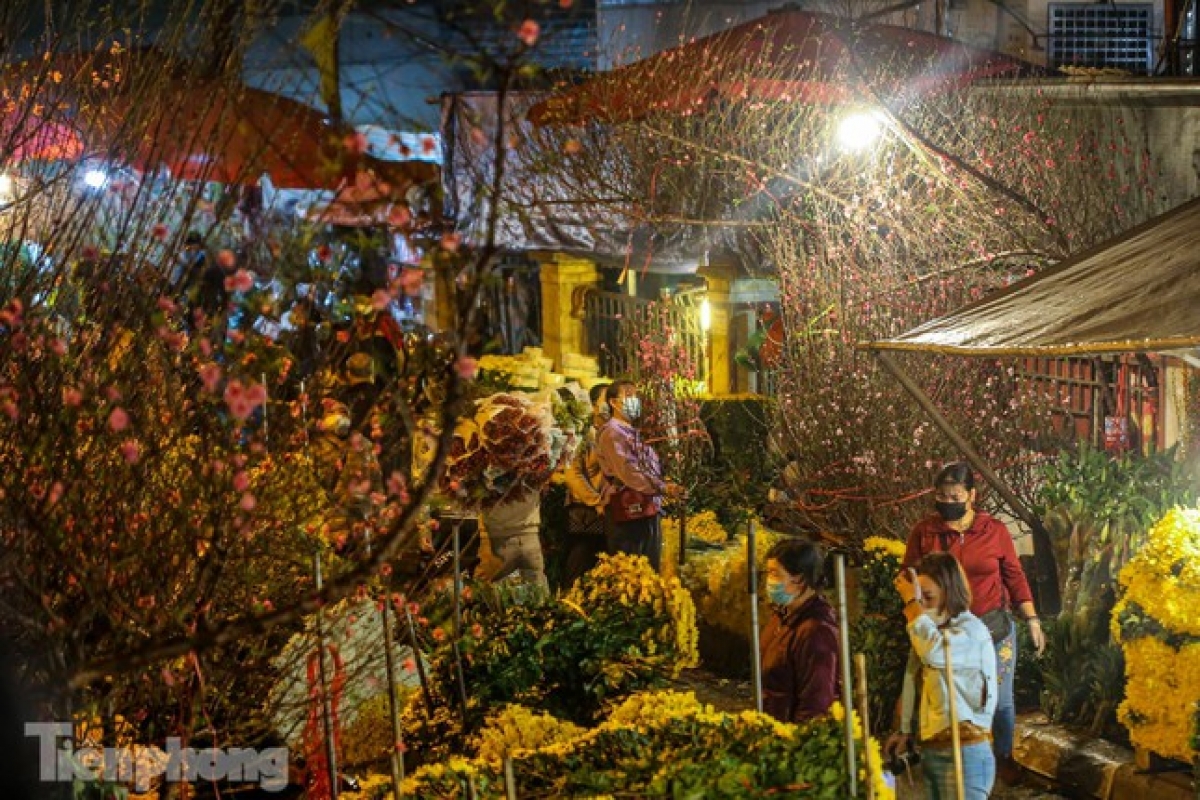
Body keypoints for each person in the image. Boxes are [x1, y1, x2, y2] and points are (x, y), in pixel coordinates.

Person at [902, 462, 1045, 785]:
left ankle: (1002, 758)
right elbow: (907, 576)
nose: (947, 502)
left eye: (954, 495)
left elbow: (1013, 575)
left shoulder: (993, 531)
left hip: (992, 628)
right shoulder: (926, 533)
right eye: (941, 496)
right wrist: (917, 612)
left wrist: (1031, 618)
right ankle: (955, 756)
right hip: (945, 631)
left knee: (1000, 700)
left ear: (971, 495)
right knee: (948, 695)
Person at [889, 553, 999, 799]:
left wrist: (911, 605)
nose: (922, 607)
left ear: (950, 593)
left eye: (927, 598)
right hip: (933, 751)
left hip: (965, 754)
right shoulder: (932, 632)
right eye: (919, 599)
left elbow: (936, 653)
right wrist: (905, 730)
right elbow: (911, 678)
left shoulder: (971, 631)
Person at [759, 539, 840, 723]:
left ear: (800, 579)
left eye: (775, 574)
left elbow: (816, 702)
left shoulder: (816, 632)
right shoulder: (782, 616)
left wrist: (795, 743)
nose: (769, 581)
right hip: (772, 726)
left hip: (789, 736)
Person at [595, 380, 671, 570]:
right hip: (628, 512)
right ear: (613, 402)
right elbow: (629, 472)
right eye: (628, 395)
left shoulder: (630, 431)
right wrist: (662, 487)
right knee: (632, 573)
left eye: (635, 396)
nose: (634, 400)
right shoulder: (612, 433)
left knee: (649, 569)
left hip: (644, 507)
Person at [561, 382, 611, 586]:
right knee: (579, 568)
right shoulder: (583, 435)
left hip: (605, 514)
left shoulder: (610, 433)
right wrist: (596, 501)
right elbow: (573, 475)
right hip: (586, 513)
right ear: (593, 405)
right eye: (606, 400)